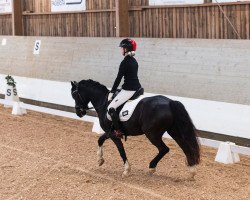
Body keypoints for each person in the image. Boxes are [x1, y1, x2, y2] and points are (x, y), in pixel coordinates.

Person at [107, 38, 142, 136]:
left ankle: (118, 131)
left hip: (129, 89)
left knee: (111, 107)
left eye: (122, 48)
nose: (121, 50)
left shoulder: (125, 62)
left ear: (126, 49)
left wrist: (112, 92)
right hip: (137, 87)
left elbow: (118, 78)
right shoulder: (134, 60)